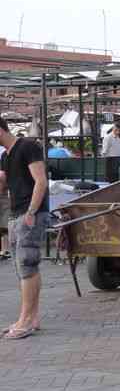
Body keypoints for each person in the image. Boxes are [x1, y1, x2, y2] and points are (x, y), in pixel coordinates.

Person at [0, 118, 49, 339]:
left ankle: (26, 320)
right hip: (15, 213)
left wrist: (31, 212)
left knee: (27, 265)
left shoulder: (28, 146)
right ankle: (32, 317)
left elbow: (41, 181)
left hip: (30, 214)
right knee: (23, 268)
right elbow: (5, 183)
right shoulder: (5, 156)